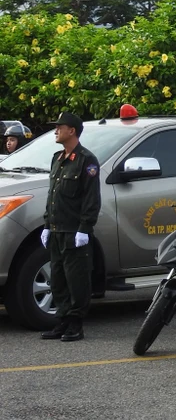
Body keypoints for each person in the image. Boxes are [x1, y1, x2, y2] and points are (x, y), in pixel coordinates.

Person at [40, 112, 101, 342]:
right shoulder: (57, 158)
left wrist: (85, 228)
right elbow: (52, 196)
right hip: (56, 229)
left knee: (77, 279)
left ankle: (76, 324)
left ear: (72, 131)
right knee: (58, 279)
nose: (56, 131)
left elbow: (91, 198)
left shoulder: (86, 160)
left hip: (74, 231)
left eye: (59, 127)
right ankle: (62, 321)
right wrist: (47, 224)